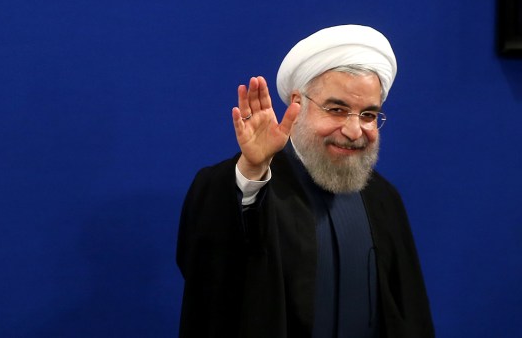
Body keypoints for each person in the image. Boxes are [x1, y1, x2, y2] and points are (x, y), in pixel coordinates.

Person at [177, 24, 434, 337]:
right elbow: (209, 267)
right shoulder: (249, 185)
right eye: (337, 110)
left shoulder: (383, 198)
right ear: (297, 104)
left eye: (368, 115)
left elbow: (408, 312)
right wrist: (252, 169)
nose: (354, 130)